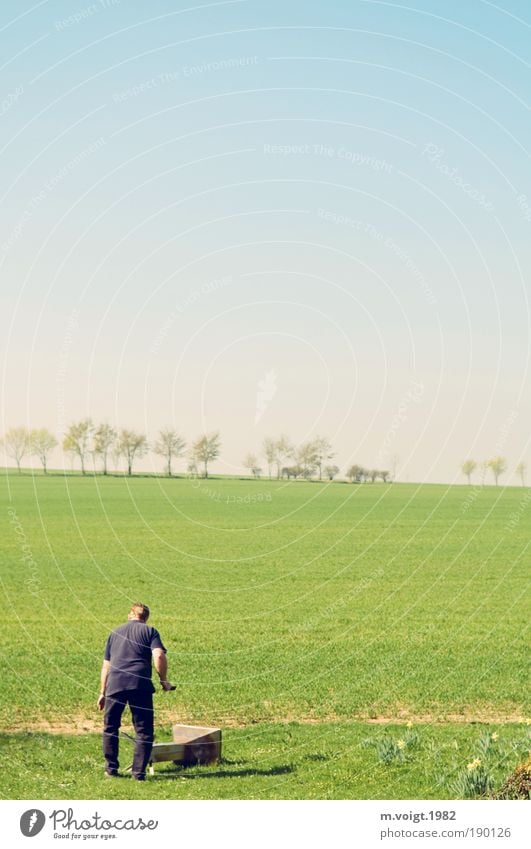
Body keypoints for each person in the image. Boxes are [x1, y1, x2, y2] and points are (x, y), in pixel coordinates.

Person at [97, 602, 175, 780]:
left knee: (110, 727)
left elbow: (106, 666)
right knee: (143, 730)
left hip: (115, 684)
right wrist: (164, 681)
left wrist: (102, 692)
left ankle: (111, 770)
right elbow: (159, 655)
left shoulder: (114, 632)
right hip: (140, 684)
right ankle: (138, 774)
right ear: (146, 618)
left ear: (130, 614)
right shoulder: (150, 631)